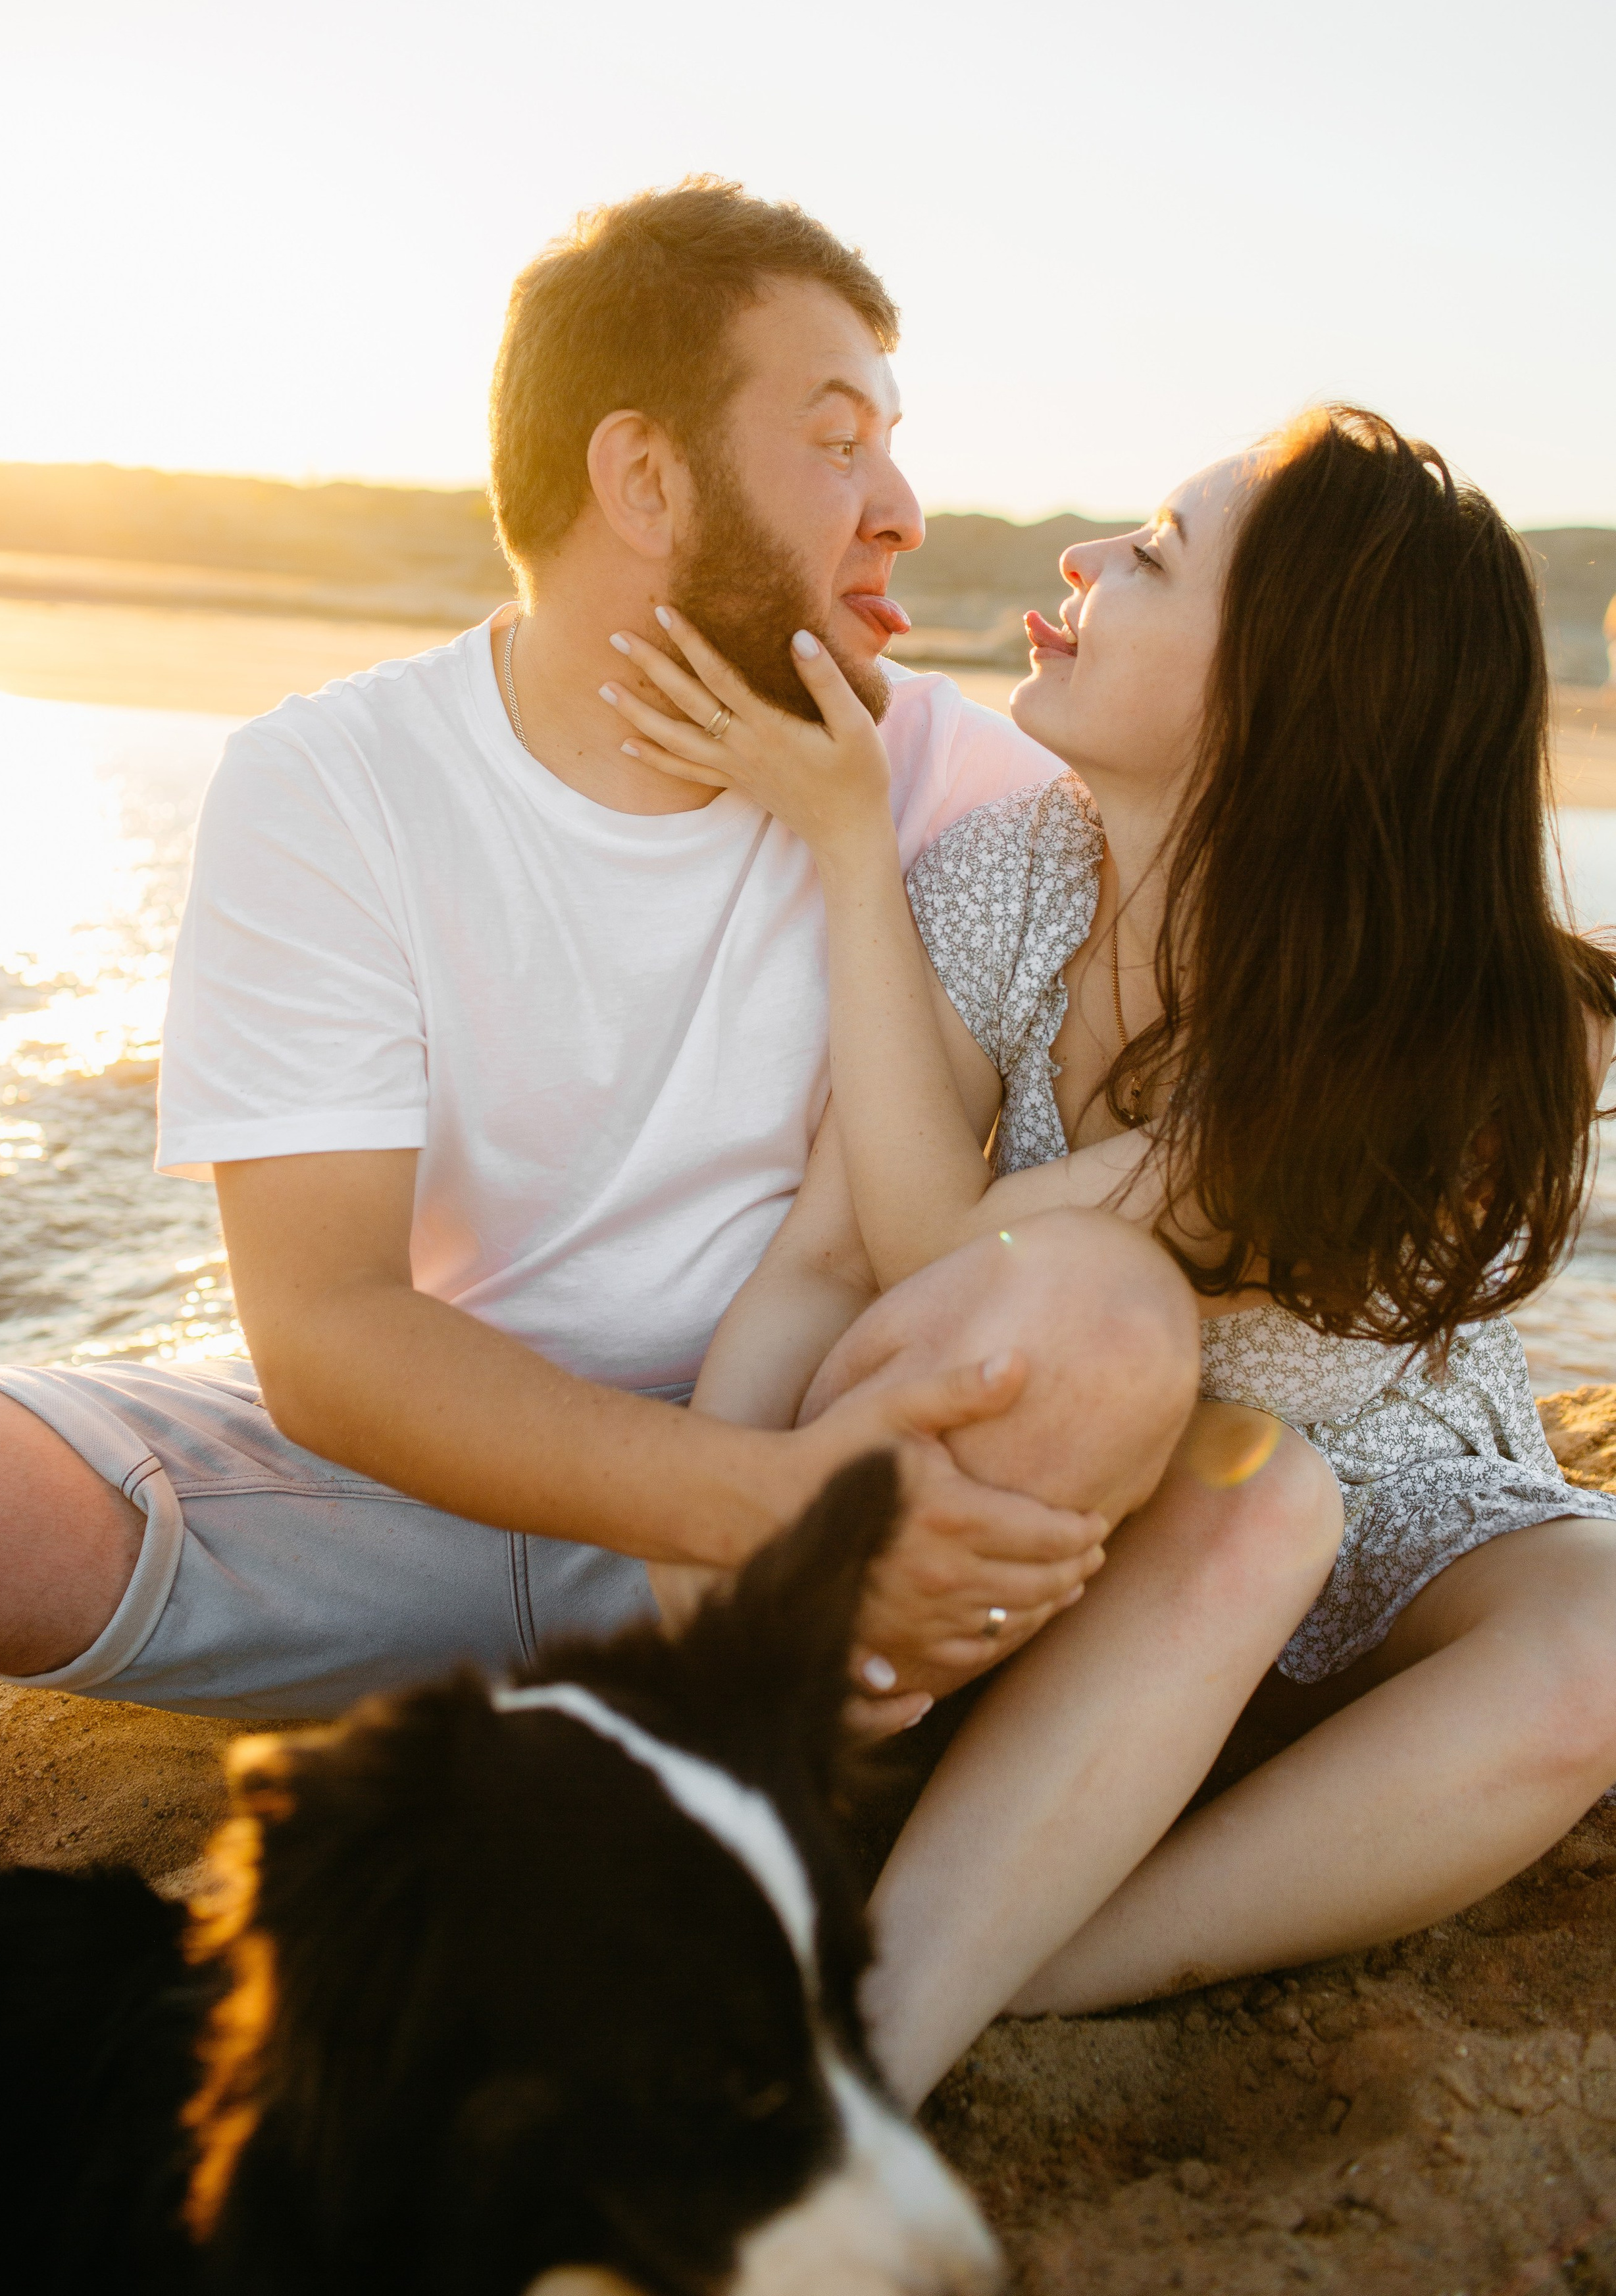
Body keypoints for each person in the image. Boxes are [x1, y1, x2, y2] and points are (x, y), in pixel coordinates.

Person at [0, 179, 1203, 1722]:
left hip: (831, 1470)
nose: (901, 510)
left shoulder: (970, 790)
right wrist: (745, 1499)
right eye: (835, 438)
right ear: (646, 480)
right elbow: (328, 1334)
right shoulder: (333, 781)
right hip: (415, 1491)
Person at [609, 403, 1616, 2107]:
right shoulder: (1005, 879)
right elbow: (838, 1256)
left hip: (1390, 1531)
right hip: (1081, 1534)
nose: (1077, 559)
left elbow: (945, 1236)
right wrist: (716, 1561)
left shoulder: (1470, 1028)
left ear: (1292, 690)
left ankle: (978, 1977)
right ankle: (924, 1949)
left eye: (1149, 555)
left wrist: (847, 837)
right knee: (1193, 1421)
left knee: (1590, 1634)